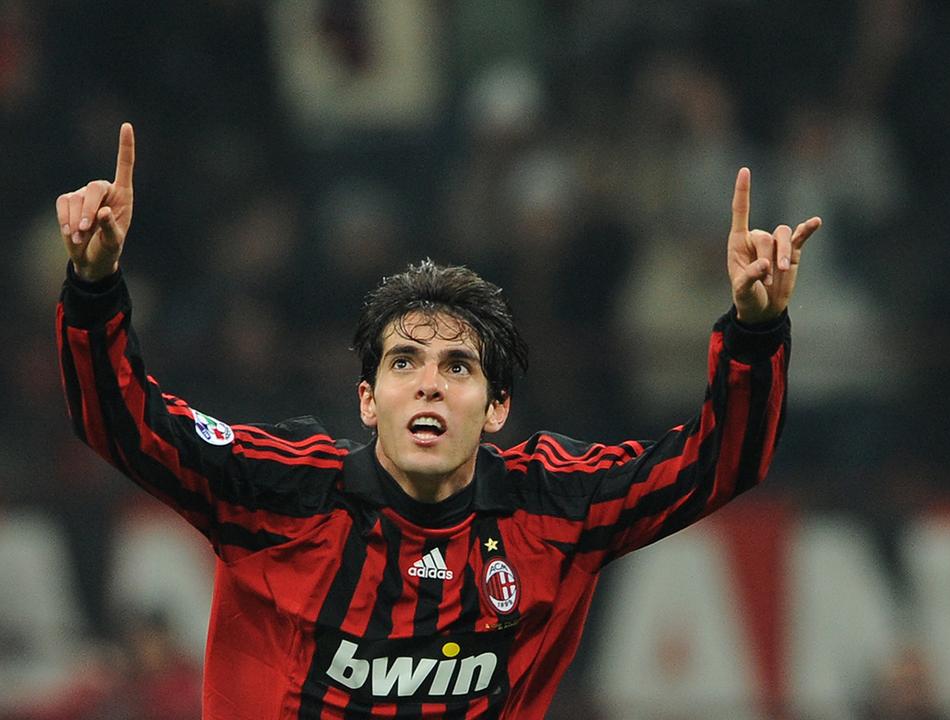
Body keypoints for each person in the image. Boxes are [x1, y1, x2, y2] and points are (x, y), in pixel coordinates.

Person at [54, 123, 821, 718]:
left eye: (457, 367)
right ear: (366, 400)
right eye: (402, 363)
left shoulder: (556, 503)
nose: (428, 386)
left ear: (496, 408)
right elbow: (128, 423)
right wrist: (93, 285)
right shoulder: (283, 489)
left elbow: (718, 461)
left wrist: (754, 331)